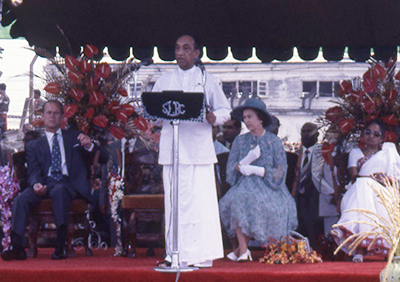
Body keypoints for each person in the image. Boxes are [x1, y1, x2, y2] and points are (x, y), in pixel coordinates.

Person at [152, 35, 231, 268]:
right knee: (174, 204)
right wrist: (152, 120)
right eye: (177, 48)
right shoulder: (164, 80)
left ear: (197, 53)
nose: (180, 53)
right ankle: (174, 254)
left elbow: (226, 109)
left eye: (186, 48)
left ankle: (200, 255)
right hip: (172, 150)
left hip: (198, 151)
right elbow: (153, 112)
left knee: (200, 204)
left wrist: (215, 117)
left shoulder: (207, 79)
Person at [1, 100, 108, 261]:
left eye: (56, 113)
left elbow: (104, 158)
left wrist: (89, 146)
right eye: (48, 113)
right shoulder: (34, 145)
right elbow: (33, 170)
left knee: (60, 190)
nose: (52, 116)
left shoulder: (74, 137)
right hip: (44, 183)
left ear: (62, 117)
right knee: (21, 199)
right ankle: (17, 247)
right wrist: (36, 184)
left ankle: (60, 245)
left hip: (68, 184)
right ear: (42, 116)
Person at [219, 99, 297, 262]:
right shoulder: (240, 141)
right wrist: (245, 162)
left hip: (270, 187)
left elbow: (280, 171)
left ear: (260, 118)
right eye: (244, 117)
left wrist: (259, 170)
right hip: (245, 184)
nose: (246, 121)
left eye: (250, 117)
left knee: (255, 201)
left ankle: (240, 249)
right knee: (238, 199)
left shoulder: (273, 141)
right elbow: (231, 168)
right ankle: (243, 250)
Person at [330, 120, 400, 263]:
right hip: (358, 188)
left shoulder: (387, 153)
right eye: (367, 132)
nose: (371, 136)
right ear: (362, 135)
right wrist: (370, 177)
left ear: (382, 138)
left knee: (366, 187)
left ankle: (351, 234)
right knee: (364, 184)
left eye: (375, 134)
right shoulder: (356, 153)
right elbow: (355, 177)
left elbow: (395, 177)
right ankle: (360, 248)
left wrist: (385, 178)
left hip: (382, 191)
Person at [292, 122, 338, 250]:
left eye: (309, 131)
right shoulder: (297, 154)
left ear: (317, 134)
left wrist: (332, 193)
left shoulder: (323, 152)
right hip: (300, 198)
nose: (305, 134)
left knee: (315, 231)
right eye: (303, 132)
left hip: (317, 198)